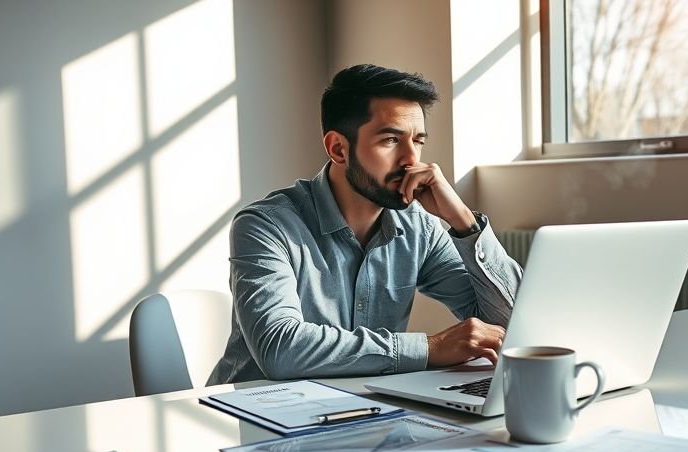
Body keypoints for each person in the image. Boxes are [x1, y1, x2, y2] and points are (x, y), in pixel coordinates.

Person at [208, 64, 522, 384]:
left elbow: (511, 323)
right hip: (251, 418)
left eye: (418, 141)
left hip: (364, 408)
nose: (411, 159)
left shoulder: (419, 228)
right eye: (390, 140)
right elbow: (280, 349)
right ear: (338, 149)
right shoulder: (265, 226)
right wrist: (429, 348)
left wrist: (464, 222)